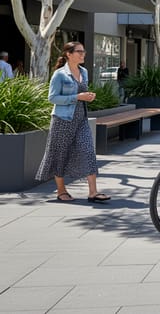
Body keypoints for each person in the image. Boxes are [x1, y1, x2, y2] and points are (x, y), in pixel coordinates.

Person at [35, 42, 110, 203]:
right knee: (60, 155)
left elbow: (81, 93)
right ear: (68, 54)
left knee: (88, 151)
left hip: (81, 119)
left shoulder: (84, 71)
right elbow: (52, 98)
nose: (83, 54)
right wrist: (77, 97)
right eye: (79, 51)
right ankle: (61, 191)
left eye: (84, 51)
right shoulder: (59, 75)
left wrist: (87, 96)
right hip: (62, 120)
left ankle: (93, 192)